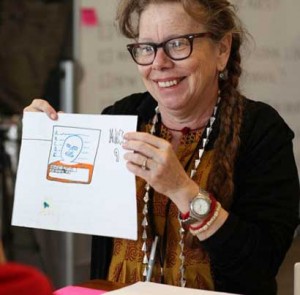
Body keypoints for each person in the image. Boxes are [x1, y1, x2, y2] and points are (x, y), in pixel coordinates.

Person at [24, 0, 300, 294]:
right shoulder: (121, 117)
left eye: (178, 44)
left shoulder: (261, 132)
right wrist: (42, 140)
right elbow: (63, 204)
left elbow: (261, 263)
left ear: (222, 49)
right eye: (146, 48)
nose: (158, 63)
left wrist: (183, 189)